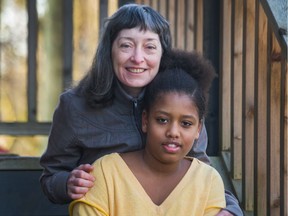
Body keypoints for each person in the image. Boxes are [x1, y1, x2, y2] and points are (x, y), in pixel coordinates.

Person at [39, 3, 242, 216]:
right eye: (126, 45)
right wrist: (67, 183)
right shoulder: (74, 106)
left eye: (150, 47)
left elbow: (200, 175)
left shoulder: (180, 104)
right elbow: (51, 176)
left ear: (163, 53)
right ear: (110, 50)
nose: (137, 58)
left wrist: (231, 210)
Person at [69, 49, 225, 215]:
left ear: (198, 129)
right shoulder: (105, 174)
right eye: (162, 120)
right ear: (145, 120)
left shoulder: (208, 181)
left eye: (186, 123)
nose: (173, 132)